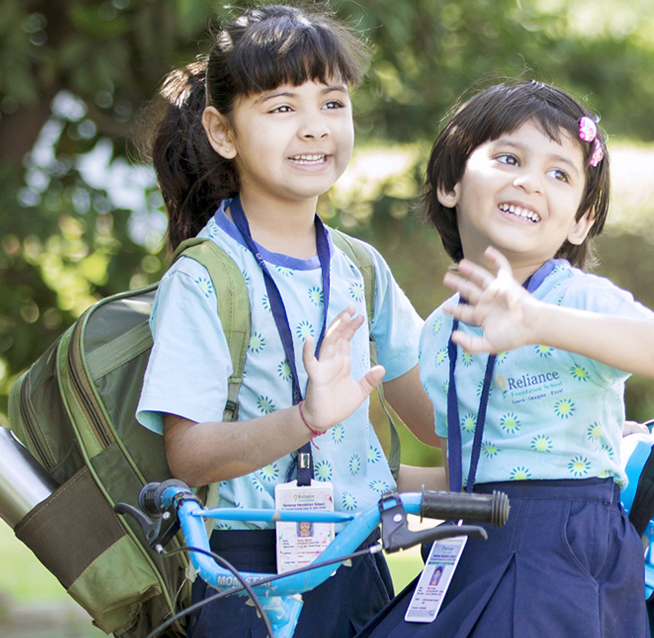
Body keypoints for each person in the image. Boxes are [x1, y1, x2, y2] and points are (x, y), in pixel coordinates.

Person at [133, 5, 434, 636]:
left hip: (359, 563)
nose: (314, 128)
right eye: (280, 108)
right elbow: (188, 455)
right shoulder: (205, 278)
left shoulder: (360, 266)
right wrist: (306, 420)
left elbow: (435, 420)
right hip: (246, 577)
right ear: (222, 131)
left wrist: (562, 420)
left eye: (332, 103)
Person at [360, 81, 654, 637]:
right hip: (472, 545)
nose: (529, 181)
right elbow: (475, 466)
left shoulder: (575, 298)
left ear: (580, 221)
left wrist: (539, 321)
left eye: (559, 173)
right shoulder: (440, 329)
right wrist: (382, 480)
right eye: (508, 157)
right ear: (449, 183)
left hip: (563, 558)